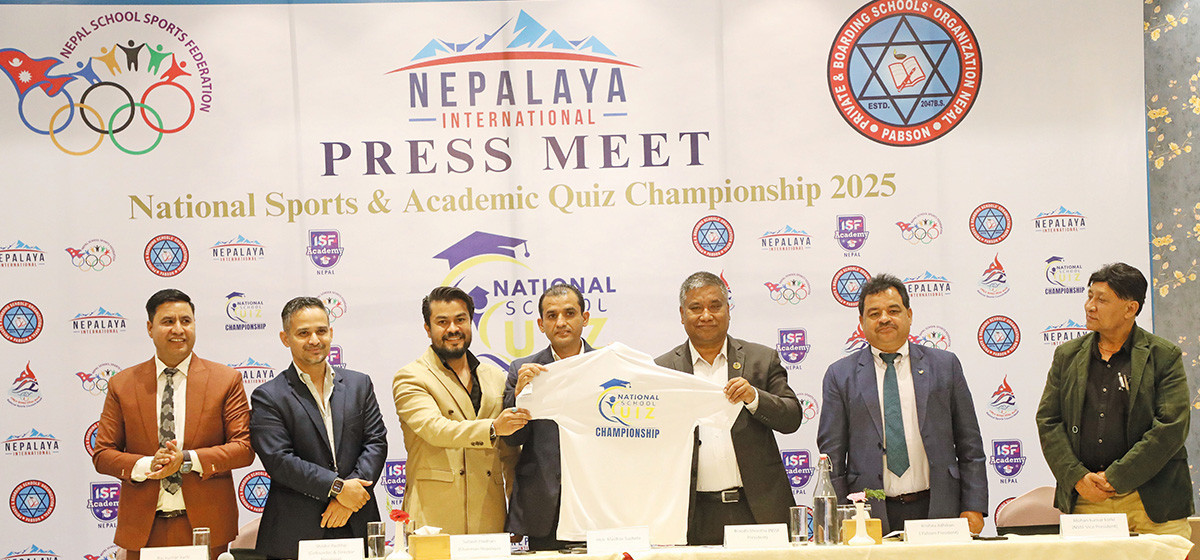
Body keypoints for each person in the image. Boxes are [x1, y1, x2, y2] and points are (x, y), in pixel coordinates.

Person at [817, 273, 987, 534]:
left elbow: (970, 444)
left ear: (909, 315)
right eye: (874, 313)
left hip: (939, 507)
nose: (884, 318)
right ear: (861, 323)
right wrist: (838, 515)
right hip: (868, 513)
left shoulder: (945, 366)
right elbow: (833, 456)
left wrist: (974, 505)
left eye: (893, 310)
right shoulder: (840, 376)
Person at [93, 289, 254, 559]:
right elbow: (103, 454)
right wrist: (148, 465)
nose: (178, 329)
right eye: (168, 321)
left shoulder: (226, 380)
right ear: (150, 328)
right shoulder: (122, 384)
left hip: (206, 526)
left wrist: (187, 460)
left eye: (186, 321)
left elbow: (244, 449)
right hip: (142, 529)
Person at [1036, 263, 1192, 537]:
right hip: (1088, 499)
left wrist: (1117, 477)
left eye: (1102, 299)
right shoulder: (1067, 355)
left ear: (1130, 309)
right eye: (1089, 296)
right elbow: (1049, 421)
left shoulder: (1163, 356)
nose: (1090, 306)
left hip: (1152, 503)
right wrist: (1076, 477)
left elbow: (1171, 427)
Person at [654, 271, 801, 545]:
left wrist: (754, 397)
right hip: (691, 514)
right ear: (682, 314)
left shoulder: (761, 359)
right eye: (695, 308)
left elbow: (792, 417)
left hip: (757, 510)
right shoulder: (662, 370)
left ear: (728, 310)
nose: (706, 315)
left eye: (715, 306)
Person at [249, 297, 388, 558]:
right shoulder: (268, 396)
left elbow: (376, 443)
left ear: (331, 333)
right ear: (285, 338)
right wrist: (338, 489)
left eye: (321, 331)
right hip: (296, 531)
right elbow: (279, 461)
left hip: (357, 520)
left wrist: (349, 498)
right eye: (303, 333)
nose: (314, 340)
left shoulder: (360, 385)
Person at [392, 286, 527, 533]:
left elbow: (509, 455)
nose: (453, 328)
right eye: (442, 322)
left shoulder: (496, 376)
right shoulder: (411, 377)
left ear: (471, 322)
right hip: (433, 519)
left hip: (490, 518)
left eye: (460, 320)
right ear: (427, 328)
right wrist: (493, 428)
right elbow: (435, 429)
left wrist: (519, 515)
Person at [503, 283, 595, 550]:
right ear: (541, 324)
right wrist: (520, 397)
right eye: (552, 316)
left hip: (598, 500)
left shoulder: (608, 366)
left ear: (585, 318)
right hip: (544, 506)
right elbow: (513, 439)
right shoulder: (522, 370)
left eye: (569, 313)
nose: (561, 322)